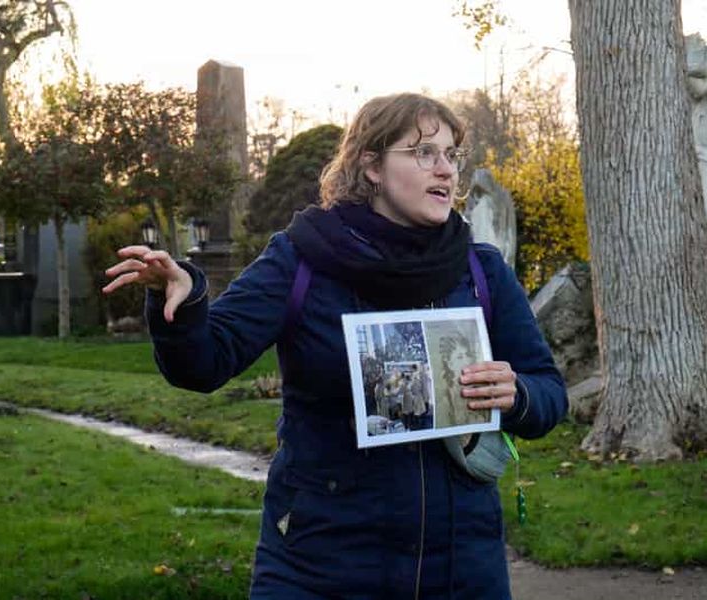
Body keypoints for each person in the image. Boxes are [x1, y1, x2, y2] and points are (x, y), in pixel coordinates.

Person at [103, 93, 567, 599]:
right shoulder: (301, 260)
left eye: (451, 155)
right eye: (423, 153)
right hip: (320, 567)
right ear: (371, 166)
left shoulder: (481, 271)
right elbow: (202, 364)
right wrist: (182, 302)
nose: (446, 170)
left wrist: (517, 394)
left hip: (461, 570)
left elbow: (549, 393)